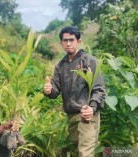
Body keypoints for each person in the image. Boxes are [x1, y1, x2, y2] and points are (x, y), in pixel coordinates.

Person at [44, 26, 106, 157]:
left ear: (78, 41)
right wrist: (49, 90)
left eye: (71, 40)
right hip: (71, 117)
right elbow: (55, 90)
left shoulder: (89, 61)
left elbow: (99, 89)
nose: (68, 43)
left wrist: (92, 108)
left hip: (87, 116)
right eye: (65, 40)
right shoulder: (61, 65)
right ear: (61, 43)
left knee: (85, 154)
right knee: (77, 152)